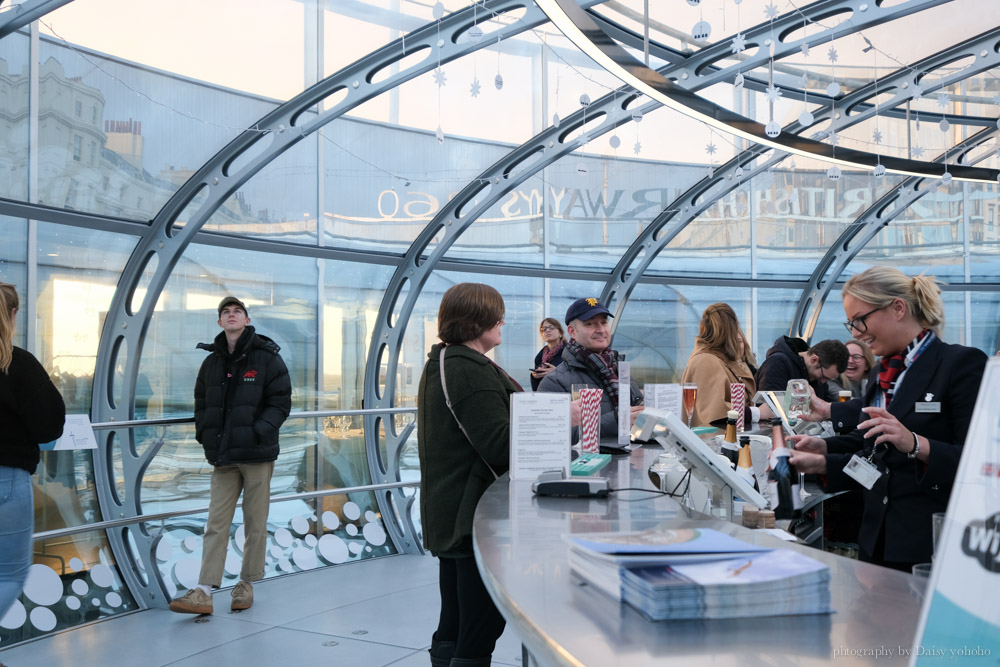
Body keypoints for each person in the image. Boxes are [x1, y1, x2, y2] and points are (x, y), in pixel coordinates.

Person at [789, 268, 987, 571]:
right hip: (878, 541)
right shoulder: (882, 374)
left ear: (897, 308)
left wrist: (915, 444)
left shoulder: (960, 365)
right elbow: (873, 450)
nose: (854, 332)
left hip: (929, 546)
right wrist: (821, 456)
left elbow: (979, 461)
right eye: (850, 323)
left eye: (859, 319)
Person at [417, 283, 520, 667]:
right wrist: (563, 419)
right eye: (496, 315)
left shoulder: (445, 361)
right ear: (477, 320)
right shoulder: (467, 368)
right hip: (472, 516)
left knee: (456, 623)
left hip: (455, 512)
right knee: (479, 626)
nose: (502, 322)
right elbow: (498, 444)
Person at [169, 296, 291, 615]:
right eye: (226, 312)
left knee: (255, 522)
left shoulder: (267, 358)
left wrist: (257, 432)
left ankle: (246, 585)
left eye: (238, 311)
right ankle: (204, 590)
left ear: (247, 321)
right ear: (220, 323)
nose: (232, 315)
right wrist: (204, 434)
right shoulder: (211, 363)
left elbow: (280, 402)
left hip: (257, 454)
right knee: (216, 521)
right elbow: (200, 402)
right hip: (223, 456)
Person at [0, 282, 66, 619]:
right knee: (9, 574)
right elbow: (49, 427)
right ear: (13, 315)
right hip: (7, 480)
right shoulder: (18, 364)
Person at [538, 297, 643, 436]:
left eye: (604, 322)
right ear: (572, 332)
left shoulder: (619, 371)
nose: (600, 330)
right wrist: (617, 422)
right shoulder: (554, 382)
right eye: (590, 324)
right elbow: (550, 435)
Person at [680, 303, 758, 427]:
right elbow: (716, 414)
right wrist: (758, 413)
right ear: (731, 329)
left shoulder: (720, 359)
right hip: (711, 441)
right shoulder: (706, 361)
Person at [755, 335, 849, 402]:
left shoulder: (817, 376)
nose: (824, 381)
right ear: (814, 359)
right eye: (824, 376)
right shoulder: (777, 364)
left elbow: (825, 402)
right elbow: (770, 405)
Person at [530, 317, 566, 391]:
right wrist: (535, 376)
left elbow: (578, 377)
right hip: (544, 396)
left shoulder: (569, 352)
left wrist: (557, 372)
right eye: (544, 329)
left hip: (565, 397)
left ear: (560, 333)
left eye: (551, 328)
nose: (547, 330)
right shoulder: (540, 356)